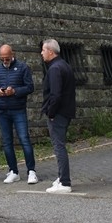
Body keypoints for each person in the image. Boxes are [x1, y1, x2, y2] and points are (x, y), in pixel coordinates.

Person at [0, 44, 38, 185]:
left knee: (24, 139)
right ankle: (13, 171)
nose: (5, 60)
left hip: (18, 110)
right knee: (7, 142)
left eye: (7, 58)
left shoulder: (23, 67)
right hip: (2, 111)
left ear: (12, 54)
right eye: (2, 58)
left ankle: (31, 171)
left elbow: (30, 87)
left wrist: (14, 91)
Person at [40, 39, 76, 193]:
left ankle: (65, 182)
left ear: (50, 51)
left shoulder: (54, 69)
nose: (41, 53)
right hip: (66, 111)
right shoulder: (65, 65)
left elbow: (55, 94)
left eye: (43, 50)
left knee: (58, 146)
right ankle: (61, 177)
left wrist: (51, 112)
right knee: (59, 145)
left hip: (58, 113)